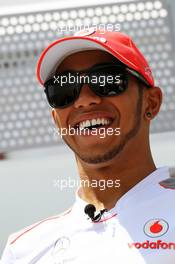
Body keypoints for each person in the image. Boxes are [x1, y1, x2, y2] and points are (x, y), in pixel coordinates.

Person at [1, 28, 175, 264]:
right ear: (56, 119)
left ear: (151, 103)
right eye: (63, 88)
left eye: (107, 80)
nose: (84, 100)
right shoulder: (24, 250)